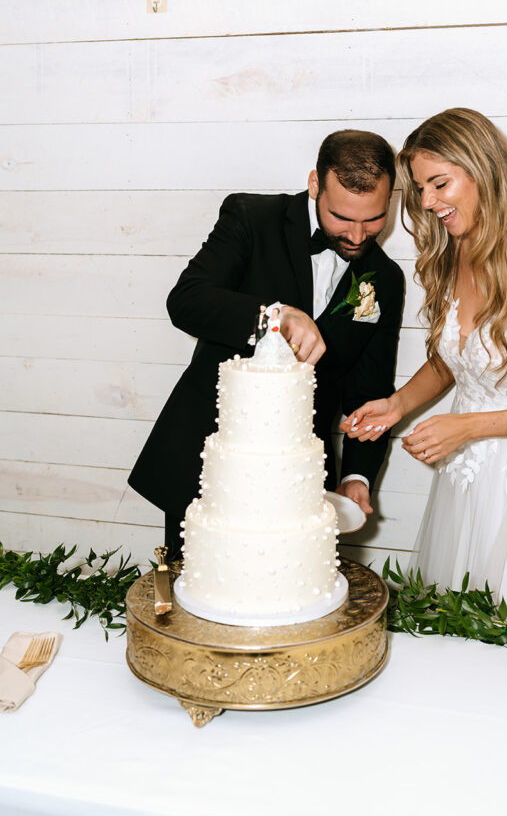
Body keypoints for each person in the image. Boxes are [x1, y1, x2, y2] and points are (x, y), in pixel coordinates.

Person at [341, 109, 507, 620]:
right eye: (420, 188)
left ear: (481, 169)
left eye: (439, 184)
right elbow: (455, 360)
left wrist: (468, 426)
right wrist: (397, 405)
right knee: (458, 620)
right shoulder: (454, 249)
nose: (428, 203)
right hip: (467, 475)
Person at [128, 130, 405, 558]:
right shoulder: (251, 217)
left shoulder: (384, 279)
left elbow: (369, 394)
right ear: (315, 184)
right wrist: (273, 317)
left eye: (373, 219)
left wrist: (357, 477)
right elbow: (186, 301)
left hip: (296, 483)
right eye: (342, 217)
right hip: (208, 459)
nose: (356, 235)